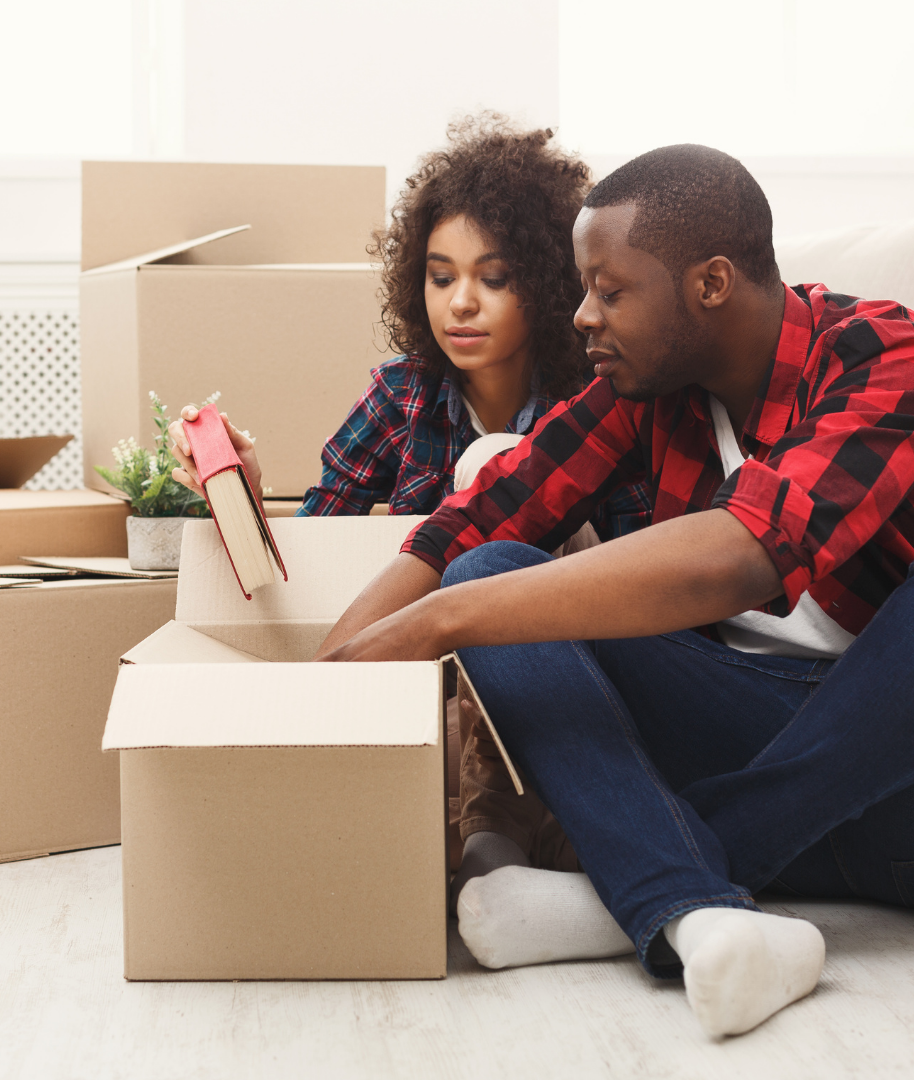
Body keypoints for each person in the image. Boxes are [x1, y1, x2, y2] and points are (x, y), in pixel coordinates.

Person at [312, 144, 914, 1039]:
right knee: (494, 575)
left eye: (610, 290)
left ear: (710, 284)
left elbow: (743, 553)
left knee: (474, 601)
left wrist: (439, 622)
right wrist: (329, 670)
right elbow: (486, 512)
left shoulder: (884, 355)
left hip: (887, 776)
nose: (584, 315)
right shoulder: (650, 386)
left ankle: (638, 890)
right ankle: (698, 909)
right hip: (754, 747)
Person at [169, 116, 651, 876]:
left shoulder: (595, 398)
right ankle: (500, 831)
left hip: (567, 663)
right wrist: (248, 490)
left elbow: (637, 557)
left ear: (553, 280)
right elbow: (324, 541)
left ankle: (505, 820)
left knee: (495, 469)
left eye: (494, 278)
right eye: (441, 275)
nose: (461, 302)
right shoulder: (403, 397)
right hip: (434, 678)